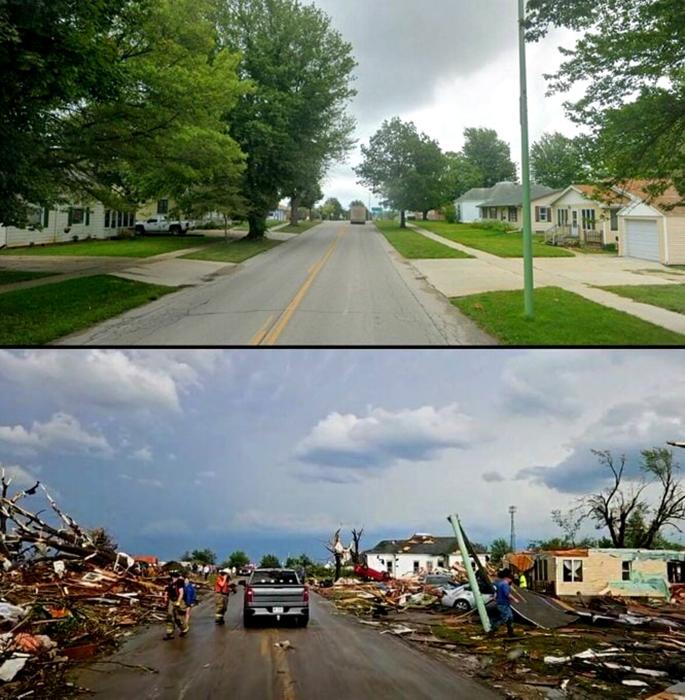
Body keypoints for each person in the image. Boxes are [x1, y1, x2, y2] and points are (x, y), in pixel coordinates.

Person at [488, 569, 521, 638]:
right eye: (511, 580)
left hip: (502, 603)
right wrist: (514, 599)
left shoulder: (499, 583)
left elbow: (496, 592)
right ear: (508, 578)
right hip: (503, 604)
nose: (511, 581)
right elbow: (507, 594)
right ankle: (492, 630)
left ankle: (510, 633)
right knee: (505, 618)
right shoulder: (505, 584)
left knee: (510, 617)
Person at [163, 572, 188, 639]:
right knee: (170, 615)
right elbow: (166, 591)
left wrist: (178, 602)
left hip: (178, 600)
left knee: (178, 617)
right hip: (171, 600)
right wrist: (165, 599)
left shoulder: (179, 582)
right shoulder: (170, 583)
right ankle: (169, 633)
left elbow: (181, 593)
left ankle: (184, 629)